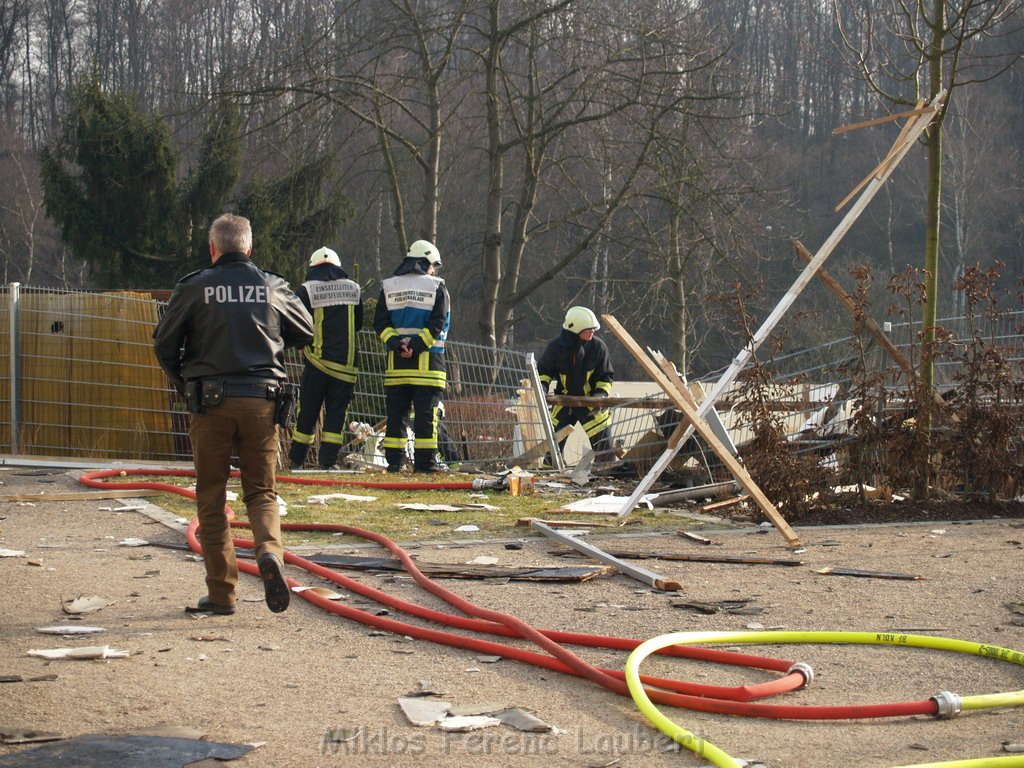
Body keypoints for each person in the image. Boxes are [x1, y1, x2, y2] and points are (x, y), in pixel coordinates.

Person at [153, 213, 313, 616]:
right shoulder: (272, 286)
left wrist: (185, 383)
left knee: (211, 496)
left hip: (209, 403)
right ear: (249, 248)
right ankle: (270, 552)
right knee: (261, 492)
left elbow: (164, 345)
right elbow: (306, 331)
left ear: (213, 248)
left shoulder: (194, 287)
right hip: (262, 402)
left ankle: (222, 594)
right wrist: (273, 342)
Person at [373, 239, 451, 473]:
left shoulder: (389, 287)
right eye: (433, 265)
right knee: (426, 417)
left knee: (396, 417)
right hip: (428, 367)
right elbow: (438, 324)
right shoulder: (437, 287)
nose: (434, 270)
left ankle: (395, 464)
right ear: (427, 262)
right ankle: (425, 465)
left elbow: (380, 324)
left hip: (397, 367)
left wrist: (398, 345)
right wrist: (415, 347)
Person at [287, 246, 364, 470]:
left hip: (317, 363)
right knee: (336, 417)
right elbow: (357, 324)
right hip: (346, 367)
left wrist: (302, 346)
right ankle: (327, 463)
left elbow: (297, 325)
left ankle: (296, 461)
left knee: (308, 414)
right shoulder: (354, 289)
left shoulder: (306, 290)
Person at [536, 306, 615, 458]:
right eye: (588, 329)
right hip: (564, 402)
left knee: (604, 449)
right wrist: (542, 388)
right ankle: (549, 473)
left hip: (591, 404)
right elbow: (543, 372)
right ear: (576, 330)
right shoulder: (556, 348)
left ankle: (606, 471)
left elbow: (606, 376)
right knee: (552, 447)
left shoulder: (598, 348)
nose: (593, 331)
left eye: (593, 329)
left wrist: (600, 395)